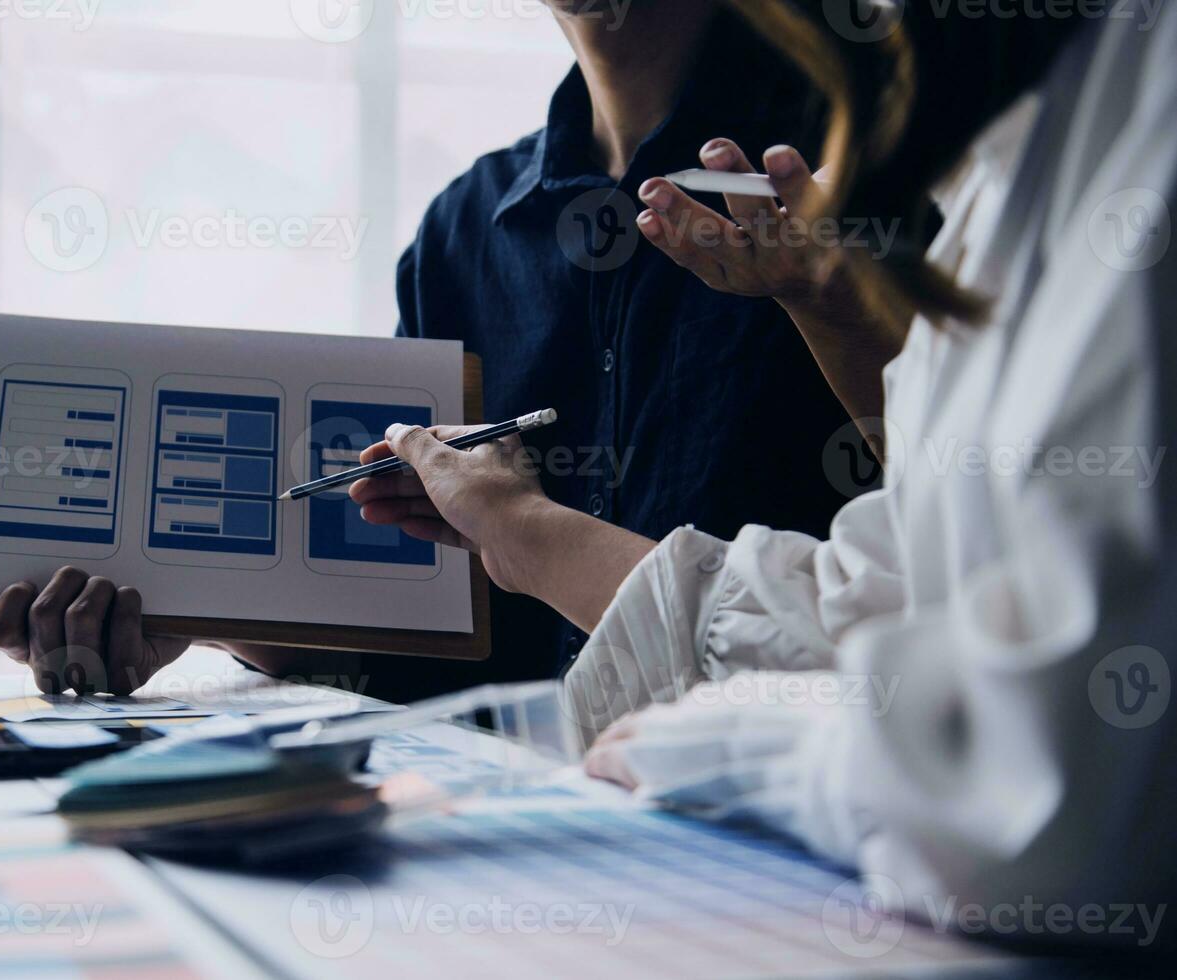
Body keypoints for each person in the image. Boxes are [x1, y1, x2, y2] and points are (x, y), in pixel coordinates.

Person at [353, 0, 1176, 942]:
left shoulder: (889, 157)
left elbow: (1033, 786)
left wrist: (733, 738)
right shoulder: (462, 227)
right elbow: (888, 589)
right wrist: (247, 619)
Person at [0, 0, 874, 702]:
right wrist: (211, 621)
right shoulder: (462, 230)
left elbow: (962, 563)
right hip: (514, 840)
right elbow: (422, 634)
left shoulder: (865, 185)